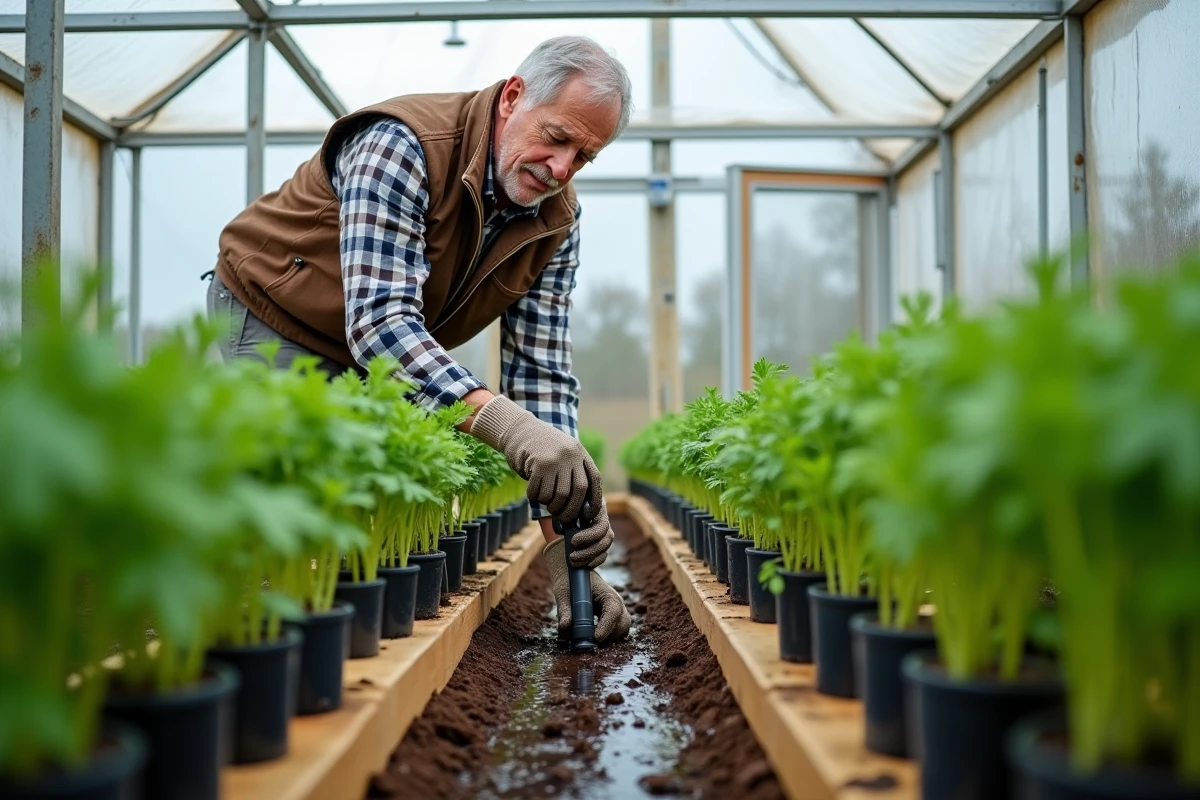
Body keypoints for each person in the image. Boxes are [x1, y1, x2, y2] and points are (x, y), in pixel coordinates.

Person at [205, 36, 632, 644]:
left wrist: (566, 552)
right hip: (275, 312)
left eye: (583, 157)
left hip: (376, 342)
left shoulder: (557, 220)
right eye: (558, 137)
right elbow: (380, 325)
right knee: (295, 490)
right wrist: (506, 426)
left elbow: (541, 374)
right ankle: (251, 636)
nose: (561, 168)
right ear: (513, 97)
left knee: (364, 512)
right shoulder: (401, 145)